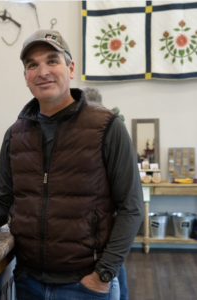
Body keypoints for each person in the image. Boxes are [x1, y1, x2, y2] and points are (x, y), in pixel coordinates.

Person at [0, 29, 144, 300]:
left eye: (52, 61)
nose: (43, 71)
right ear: (26, 77)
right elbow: (2, 205)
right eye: (32, 65)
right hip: (29, 281)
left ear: (70, 68)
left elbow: (131, 208)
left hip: (85, 285)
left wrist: (103, 275)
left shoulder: (107, 127)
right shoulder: (15, 134)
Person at [81, 86, 129, 300]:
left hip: (105, 228)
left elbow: (129, 205)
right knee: (117, 274)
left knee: (113, 277)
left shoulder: (110, 133)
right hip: (105, 227)